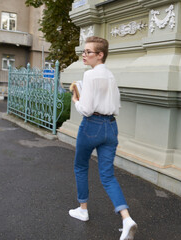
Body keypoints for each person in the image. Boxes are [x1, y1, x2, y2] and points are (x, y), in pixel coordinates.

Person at [69, 36, 137, 240]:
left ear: (100, 55)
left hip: (92, 126)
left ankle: (83, 210)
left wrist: (76, 100)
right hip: (111, 127)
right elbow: (116, 105)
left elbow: (87, 109)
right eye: (84, 51)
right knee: (107, 176)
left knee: (81, 166)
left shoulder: (89, 76)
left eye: (88, 52)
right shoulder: (110, 76)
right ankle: (126, 219)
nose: (84, 55)